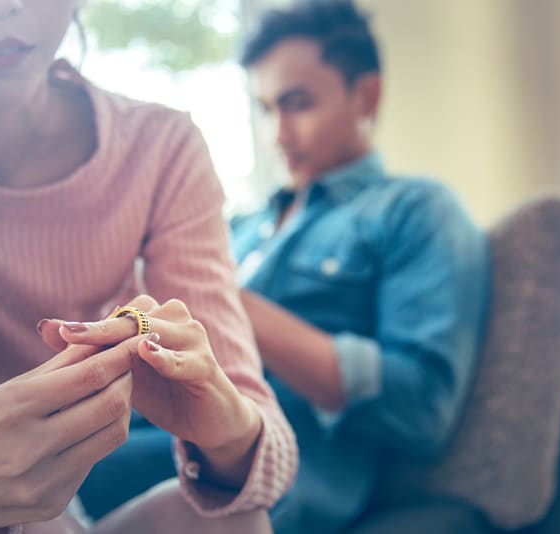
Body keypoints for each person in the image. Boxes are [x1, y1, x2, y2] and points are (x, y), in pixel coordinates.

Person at [0, 1, 297, 533]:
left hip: (55, 502)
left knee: (234, 523)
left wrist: (224, 431)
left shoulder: (160, 146)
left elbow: (265, 454)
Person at [231, 1, 491, 532]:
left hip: (271, 468)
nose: (277, 134)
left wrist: (223, 300)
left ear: (366, 95)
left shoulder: (415, 210)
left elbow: (422, 405)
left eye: (297, 104)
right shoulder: (239, 228)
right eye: (264, 109)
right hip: (158, 426)